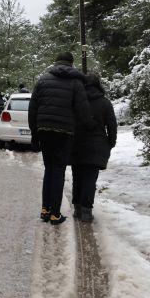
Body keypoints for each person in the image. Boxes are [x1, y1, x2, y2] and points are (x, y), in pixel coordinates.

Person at [28, 51, 93, 225]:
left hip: (44, 130)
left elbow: (33, 109)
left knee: (49, 170)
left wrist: (35, 134)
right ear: (71, 64)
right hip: (64, 133)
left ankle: (45, 209)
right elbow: (83, 110)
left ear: (56, 62)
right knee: (58, 171)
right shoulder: (76, 82)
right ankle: (55, 214)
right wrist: (89, 126)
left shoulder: (42, 80)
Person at [71, 73, 117, 222]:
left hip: (76, 144)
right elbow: (111, 125)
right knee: (90, 179)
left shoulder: (76, 102)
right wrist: (110, 143)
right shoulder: (105, 103)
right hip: (97, 145)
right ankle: (86, 211)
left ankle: (77, 208)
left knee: (77, 177)